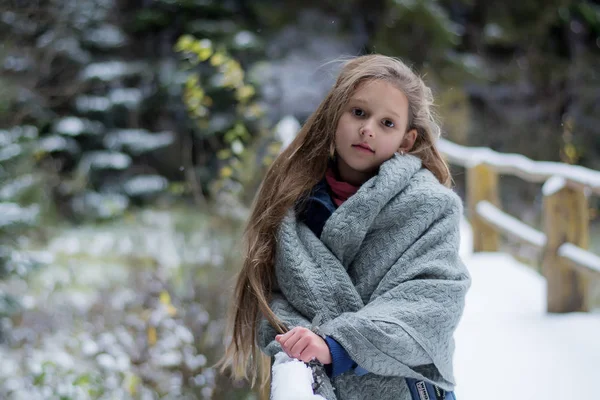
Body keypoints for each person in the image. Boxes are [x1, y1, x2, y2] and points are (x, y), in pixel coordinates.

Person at [220, 54, 471, 400]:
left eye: (387, 123)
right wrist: (299, 338)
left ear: (406, 141)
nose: (368, 128)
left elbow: (432, 304)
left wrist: (336, 344)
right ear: (334, 115)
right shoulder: (292, 205)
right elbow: (276, 298)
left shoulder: (432, 207)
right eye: (358, 113)